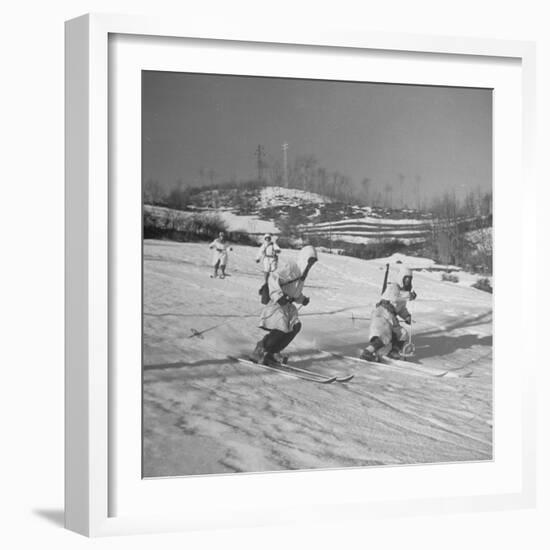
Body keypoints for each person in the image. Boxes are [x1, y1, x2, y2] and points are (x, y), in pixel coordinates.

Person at [251, 245, 318, 365]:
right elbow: (273, 277)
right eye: (310, 260)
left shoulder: (303, 273)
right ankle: (260, 350)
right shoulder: (292, 267)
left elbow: (294, 291)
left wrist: (302, 299)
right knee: (281, 328)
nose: (311, 264)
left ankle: (273, 352)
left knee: (295, 327)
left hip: (288, 306)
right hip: (277, 303)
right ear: (304, 258)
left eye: (313, 261)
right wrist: (278, 296)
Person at [360, 265, 417, 361]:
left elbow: (401, 308)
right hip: (382, 313)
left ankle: (394, 352)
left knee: (402, 334)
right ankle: (367, 352)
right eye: (406, 278)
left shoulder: (403, 293)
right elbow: (394, 297)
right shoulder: (393, 287)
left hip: (391, 317)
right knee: (383, 335)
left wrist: (406, 316)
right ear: (401, 278)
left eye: (409, 279)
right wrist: (409, 295)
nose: (407, 281)